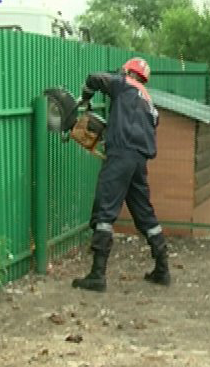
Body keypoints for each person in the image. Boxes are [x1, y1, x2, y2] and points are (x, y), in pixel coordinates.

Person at [71, 56, 170, 293]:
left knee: (105, 210)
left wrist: (84, 99)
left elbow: (94, 78)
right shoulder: (149, 102)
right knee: (143, 212)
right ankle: (162, 269)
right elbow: (147, 125)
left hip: (120, 156)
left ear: (129, 72)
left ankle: (97, 275)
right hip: (139, 160)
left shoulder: (124, 84)